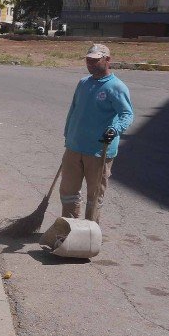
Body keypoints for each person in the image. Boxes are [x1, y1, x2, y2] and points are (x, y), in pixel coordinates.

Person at [59, 43, 134, 223]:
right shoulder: (84, 83)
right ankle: (69, 229)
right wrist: (68, 133)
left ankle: (89, 233)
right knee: (68, 191)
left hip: (99, 151)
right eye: (88, 60)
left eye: (95, 60)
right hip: (74, 147)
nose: (90, 64)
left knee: (94, 196)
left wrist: (115, 130)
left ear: (107, 60)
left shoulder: (116, 87)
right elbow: (74, 109)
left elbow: (127, 114)